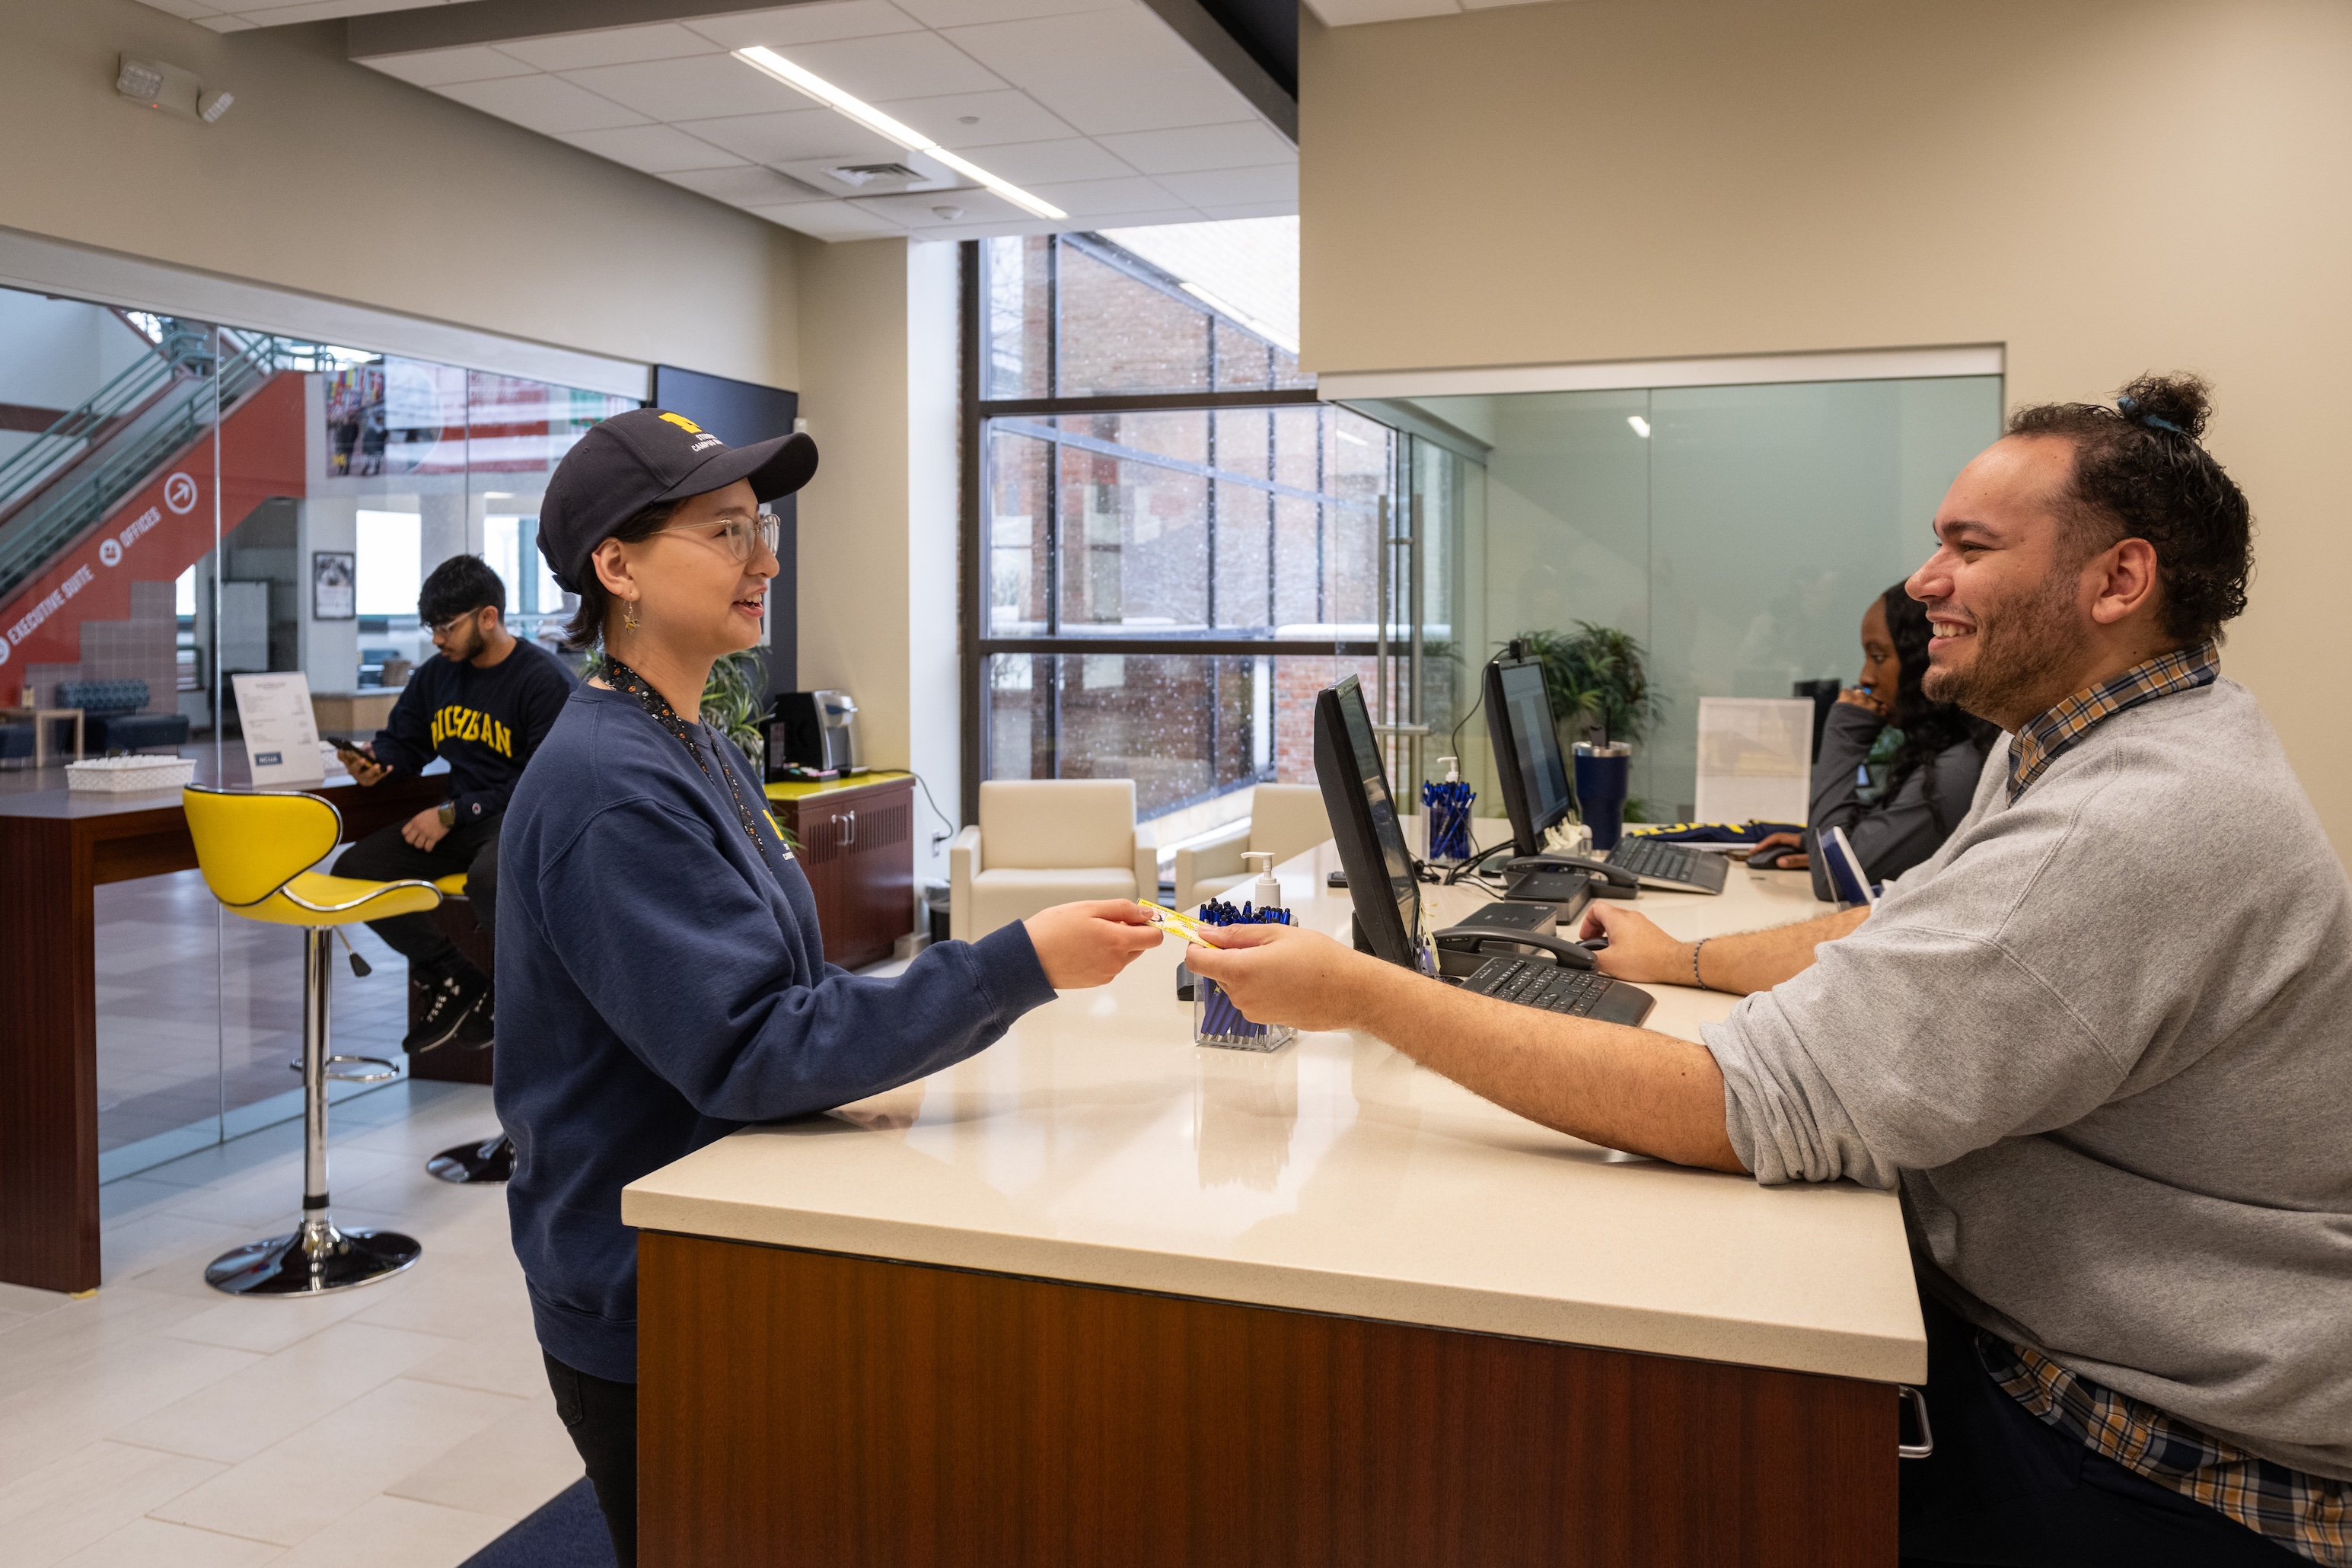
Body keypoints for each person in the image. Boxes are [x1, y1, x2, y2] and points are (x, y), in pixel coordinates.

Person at [1188, 374, 2349, 1565]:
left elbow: (1745, 1108)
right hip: (2062, 1350)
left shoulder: (2131, 823)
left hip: (2148, 1450)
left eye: (1967, 546)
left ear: (2119, 580)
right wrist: (1683, 957)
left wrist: (1367, 992)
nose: (1921, 584)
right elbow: (1904, 929)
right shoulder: (2098, 738)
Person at [495, 409, 1162, 1566]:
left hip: (737, 1234)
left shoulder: (690, 737)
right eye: (724, 532)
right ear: (617, 567)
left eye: (762, 529)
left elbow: (773, 995)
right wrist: (1016, 964)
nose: (767, 560)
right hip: (659, 1288)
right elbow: (755, 1046)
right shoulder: (610, 786)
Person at [336, 553, 572, 1050]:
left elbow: (544, 782)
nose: (438, 639)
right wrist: (379, 764)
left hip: (523, 819)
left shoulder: (543, 680)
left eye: (446, 626)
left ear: (489, 617)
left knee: (491, 877)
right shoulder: (436, 676)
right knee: (356, 870)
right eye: (431, 628)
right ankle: (452, 975)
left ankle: (522, 998)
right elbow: (406, 742)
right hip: (465, 821)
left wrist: (453, 814)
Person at [1753, 585, 1998, 895]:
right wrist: (1814, 843)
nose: (1866, 677)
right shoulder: (1960, 751)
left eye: (1879, 657)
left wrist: (1844, 734)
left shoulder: (1958, 769)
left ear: (1923, 661)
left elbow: (1836, 878)